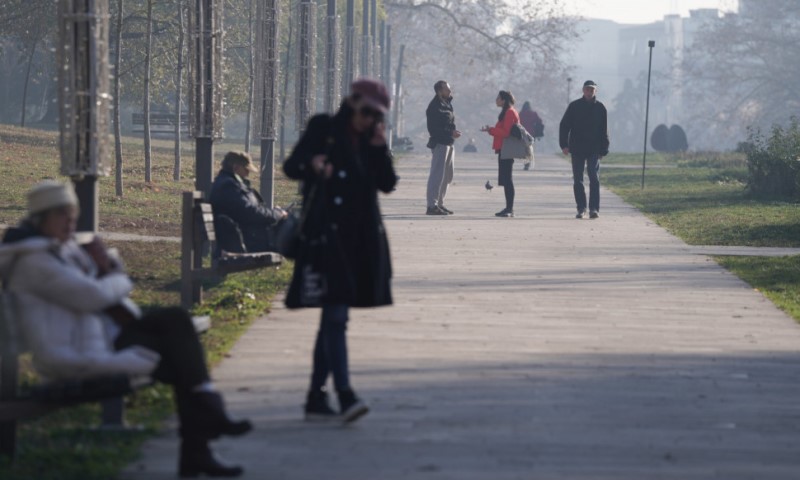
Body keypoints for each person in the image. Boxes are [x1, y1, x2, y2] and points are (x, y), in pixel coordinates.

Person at [0, 180, 252, 477]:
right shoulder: (34, 262)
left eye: (72, 214)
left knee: (176, 323)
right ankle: (203, 434)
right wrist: (117, 278)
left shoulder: (58, 250)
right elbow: (93, 295)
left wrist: (106, 268)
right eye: (61, 215)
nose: (70, 222)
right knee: (180, 355)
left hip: (100, 338)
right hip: (74, 354)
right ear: (40, 219)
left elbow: (97, 284)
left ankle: (205, 423)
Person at [283, 78, 397, 424]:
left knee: (332, 319)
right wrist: (313, 164)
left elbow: (387, 184)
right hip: (327, 238)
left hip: (361, 242)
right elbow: (291, 166)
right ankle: (345, 395)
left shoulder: (371, 140)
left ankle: (316, 397)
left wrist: (379, 148)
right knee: (335, 317)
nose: (369, 120)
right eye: (366, 112)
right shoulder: (324, 128)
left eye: (377, 116)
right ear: (352, 101)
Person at [209, 151, 288, 254]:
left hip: (246, 238)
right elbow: (251, 212)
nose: (248, 173)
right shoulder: (229, 187)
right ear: (236, 167)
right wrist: (277, 214)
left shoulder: (227, 184)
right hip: (248, 242)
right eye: (246, 169)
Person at [559, 80, 609, 219]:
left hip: (594, 148)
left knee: (594, 177)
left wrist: (604, 149)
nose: (589, 92)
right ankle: (581, 208)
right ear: (583, 90)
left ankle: (594, 208)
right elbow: (564, 125)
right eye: (587, 89)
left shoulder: (600, 108)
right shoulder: (574, 106)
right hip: (577, 147)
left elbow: (604, 130)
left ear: (595, 91)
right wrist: (564, 145)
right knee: (578, 179)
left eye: (592, 89)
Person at [425, 80, 461, 216]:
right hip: (440, 144)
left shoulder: (447, 104)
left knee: (447, 176)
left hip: (449, 143)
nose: (450, 91)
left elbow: (449, 123)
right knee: (437, 175)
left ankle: (440, 203)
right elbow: (433, 129)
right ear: (440, 91)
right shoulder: (434, 107)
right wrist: (450, 133)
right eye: (447, 89)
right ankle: (431, 205)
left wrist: (453, 132)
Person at [481, 90, 519, 218]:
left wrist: (492, 130)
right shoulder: (508, 112)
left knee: (508, 179)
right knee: (506, 179)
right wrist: (490, 130)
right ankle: (508, 207)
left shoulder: (509, 112)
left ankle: (510, 209)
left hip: (507, 149)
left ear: (504, 100)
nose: (496, 100)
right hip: (504, 148)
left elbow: (506, 133)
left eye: (498, 98)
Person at [519, 101, 543, 171]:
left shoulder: (521, 114)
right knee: (529, 148)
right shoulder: (533, 114)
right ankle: (528, 162)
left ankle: (526, 163)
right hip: (531, 134)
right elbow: (540, 121)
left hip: (523, 134)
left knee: (524, 149)